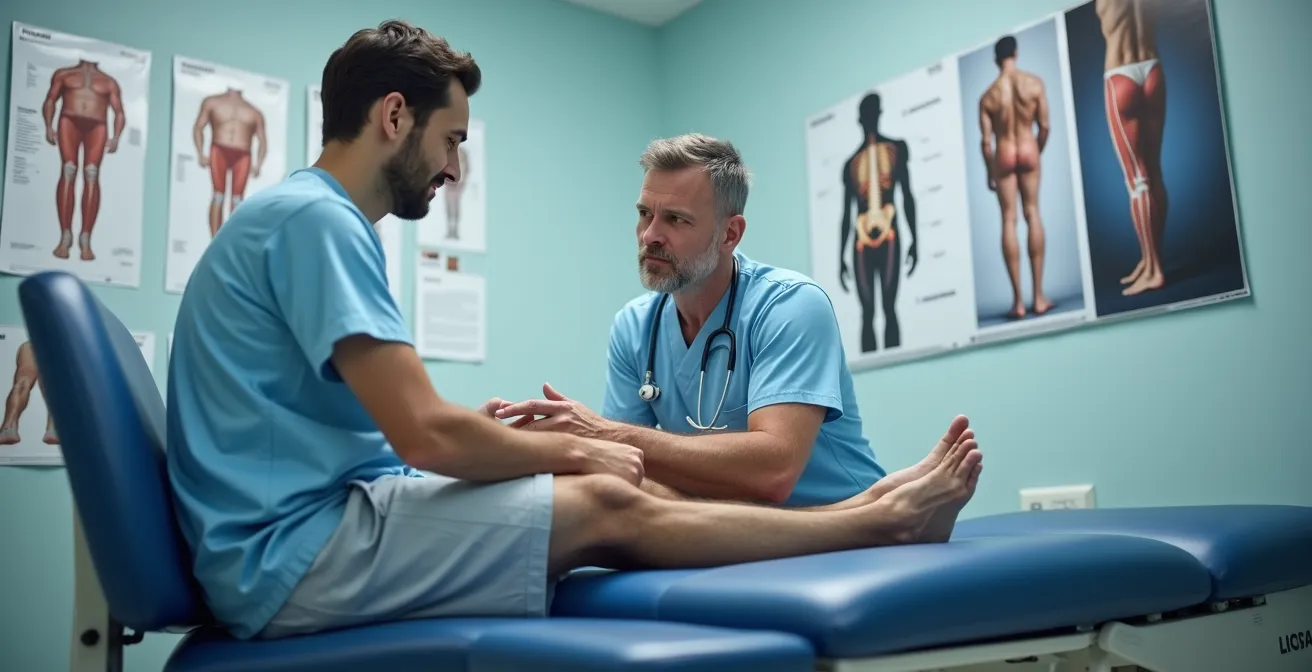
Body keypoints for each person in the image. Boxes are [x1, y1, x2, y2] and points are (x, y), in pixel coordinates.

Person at [165, 19, 983, 643]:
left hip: (292, 534)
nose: (453, 167)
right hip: (288, 553)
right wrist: (575, 446)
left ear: (729, 234)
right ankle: (877, 520)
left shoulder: (299, 217)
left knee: (604, 491)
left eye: (675, 219)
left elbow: (407, 432)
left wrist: (521, 444)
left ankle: (870, 514)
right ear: (392, 117)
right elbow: (424, 433)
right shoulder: (320, 222)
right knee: (602, 500)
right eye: (451, 139)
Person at [495, 134, 975, 515]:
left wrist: (602, 433)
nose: (650, 235)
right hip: (722, 528)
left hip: (833, 527)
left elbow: (774, 470)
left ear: (730, 233)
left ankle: (880, 511)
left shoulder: (789, 306)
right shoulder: (634, 328)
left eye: (676, 220)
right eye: (644, 214)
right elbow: (626, 472)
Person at [978, 35, 1054, 319]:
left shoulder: (988, 97)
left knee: (1008, 220)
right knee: (1032, 213)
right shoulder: (1033, 83)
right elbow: (1044, 127)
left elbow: (986, 143)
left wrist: (990, 171)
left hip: (1004, 154)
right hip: (1027, 148)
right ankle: (1039, 298)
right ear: (1016, 53)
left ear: (997, 59)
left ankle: (1019, 303)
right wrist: (1036, 151)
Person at [1097, 0, 1168, 296]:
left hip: (1120, 73)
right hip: (1153, 68)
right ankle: (1150, 260)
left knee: (1137, 180)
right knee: (1154, 171)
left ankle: (1154, 270)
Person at [838, 92, 917, 353]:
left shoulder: (896, 149)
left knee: (889, 307)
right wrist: (841, 256)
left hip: (890, 232)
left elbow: (907, 196)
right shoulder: (851, 164)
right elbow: (846, 215)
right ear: (862, 119)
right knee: (868, 312)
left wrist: (915, 240)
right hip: (861, 238)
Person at [43, 59, 124, 262]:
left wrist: (116, 136)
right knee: (69, 170)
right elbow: (51, 99)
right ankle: (65, 236)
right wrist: (48, 125)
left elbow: (119, 111)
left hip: (97, 125)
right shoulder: (64, 74)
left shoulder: (109, 81)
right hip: (69, 120)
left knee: (91, 174)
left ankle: (85, 238)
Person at [194, 88, 267, 237]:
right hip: (219, 149)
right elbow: (198, 128)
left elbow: (263, 142)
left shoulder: (254, 112)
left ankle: (231, 240)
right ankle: (215, 240)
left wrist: (259, 164)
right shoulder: (212, 102)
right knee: (218, 195)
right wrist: (200, 153)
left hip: (242, 154)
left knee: (237, 199)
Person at [0, 341, 59, 446]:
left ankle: (8, 428)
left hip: (33, 342)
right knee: (53, 381)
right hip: (61, 342)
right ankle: (53, 428)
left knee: (23, 381)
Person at [445, 145, 469, 239]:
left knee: (455, 207)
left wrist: (462, 183)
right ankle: (450, 231)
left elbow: (466, 169)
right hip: (449, 184)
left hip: (458, 184)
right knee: (449, 207)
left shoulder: (462, 154)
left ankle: (455, 231)